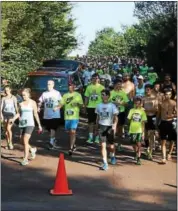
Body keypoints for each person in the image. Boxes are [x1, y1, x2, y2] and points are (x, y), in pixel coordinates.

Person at [10, 88, 42, 165]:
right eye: (22, 95)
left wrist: (39, 125)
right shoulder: (20, 104)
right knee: (22, 141)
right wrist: (13, 119)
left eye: (24, 95)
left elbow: (35, 114)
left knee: (25, 140)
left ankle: (25, 159)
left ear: (28, 94)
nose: (23, 96)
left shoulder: (33, 103)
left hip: (30, 124)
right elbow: (19, 114)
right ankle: (32, 150)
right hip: (22, 124)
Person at [54, 82, 83, 156]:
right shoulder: (65, 95)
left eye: (72, 86)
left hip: (75, 116)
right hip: (67, 116)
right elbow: (61, 104)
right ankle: (73, 144)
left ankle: (71, 148)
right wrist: (57, 108)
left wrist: (77, 104)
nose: (70, 88)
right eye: (69, 86)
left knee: (72, 131)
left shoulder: (78, 95)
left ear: (74, 87)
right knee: (70, 132)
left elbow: (81, 105)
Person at [95, 89, 119, 171]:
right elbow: (97, 118)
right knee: (103, 145)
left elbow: (116, 117)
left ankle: (112, 156)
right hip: (102, 127)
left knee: (111, 146)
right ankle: (105, 163)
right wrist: (96, 127)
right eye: (101, 94)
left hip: (109, 127)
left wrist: (114, 125)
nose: (102, 96)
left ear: (108, 96)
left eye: (104, 94)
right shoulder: (98, 105)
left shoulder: (112, 106)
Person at [38, 80, 62, 148]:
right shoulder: (44, 93)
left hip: (55, 114)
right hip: (47, 115)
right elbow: (40, 101)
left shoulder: (57, 93)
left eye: (50, 84)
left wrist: (57, 107)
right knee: (48, 129)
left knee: (52, 128)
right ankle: (53, 139)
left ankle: (51, 142)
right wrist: (39, 107)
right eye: (48, 84)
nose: (48, 86)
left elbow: (61, 103)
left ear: (53, 85)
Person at [156, 89, 177, 164]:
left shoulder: (174, 103)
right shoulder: (161, 103)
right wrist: (156, 124)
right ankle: (163, 158)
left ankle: (169, 153)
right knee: (163, 141)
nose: (167, 95)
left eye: (169, 94)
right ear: (164, 95)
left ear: (171, 95)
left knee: (172, 140)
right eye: (166, 94)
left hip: (171, 122)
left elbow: (177, 113)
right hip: (163, 122)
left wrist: (171, 115)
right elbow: (158, 114)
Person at [84, 73, 105, 144]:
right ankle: (90, 137)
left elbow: (104, 98)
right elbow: (86, 97)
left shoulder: (102, 87)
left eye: (97, 78)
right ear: (92, 79)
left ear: (99, 79)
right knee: (91, 123)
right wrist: (85, 106)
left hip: (99, 107)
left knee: (98, 123)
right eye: (94, 78)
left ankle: (96, 137)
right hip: (90, 107)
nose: (96, 79)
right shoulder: (89, 87)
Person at [110, 79, 129, 151]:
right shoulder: (111, 92)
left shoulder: (123, 93)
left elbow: (127, 103)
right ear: (114, 85)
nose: (119, 86)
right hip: (113, 113)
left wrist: (121, 103)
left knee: (120, 129)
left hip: (121, 112)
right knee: (113, 129)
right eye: (118, 84)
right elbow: (107, 102)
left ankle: (119, 145)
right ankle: (112, 144)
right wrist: (114, 103)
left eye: (120, 84)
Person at [127, 97, 147, 165]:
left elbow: (143, 122)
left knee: (139, 144)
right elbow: (129, 119)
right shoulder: (131, 110)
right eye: (136, 103)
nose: (137, 105)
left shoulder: (142, 111)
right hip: (132, 130)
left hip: (139, 130)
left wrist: (143, 132)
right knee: (133, 143)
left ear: (141, 104)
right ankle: (136, 153)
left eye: (138, 103)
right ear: (134, 103)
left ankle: (138, 158)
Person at [142, 84, 159, 160]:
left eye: (148, 89)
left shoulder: (155, 98)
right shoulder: (143, 98)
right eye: (146, 89)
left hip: (152, 118)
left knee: (151, 135)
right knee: (145, 135)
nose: (147, 90)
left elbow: (156, 109)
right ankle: (147, 148)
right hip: (145, 118)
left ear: (151, 90)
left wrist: (146, 110)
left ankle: (150, 152)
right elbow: (141, 108)